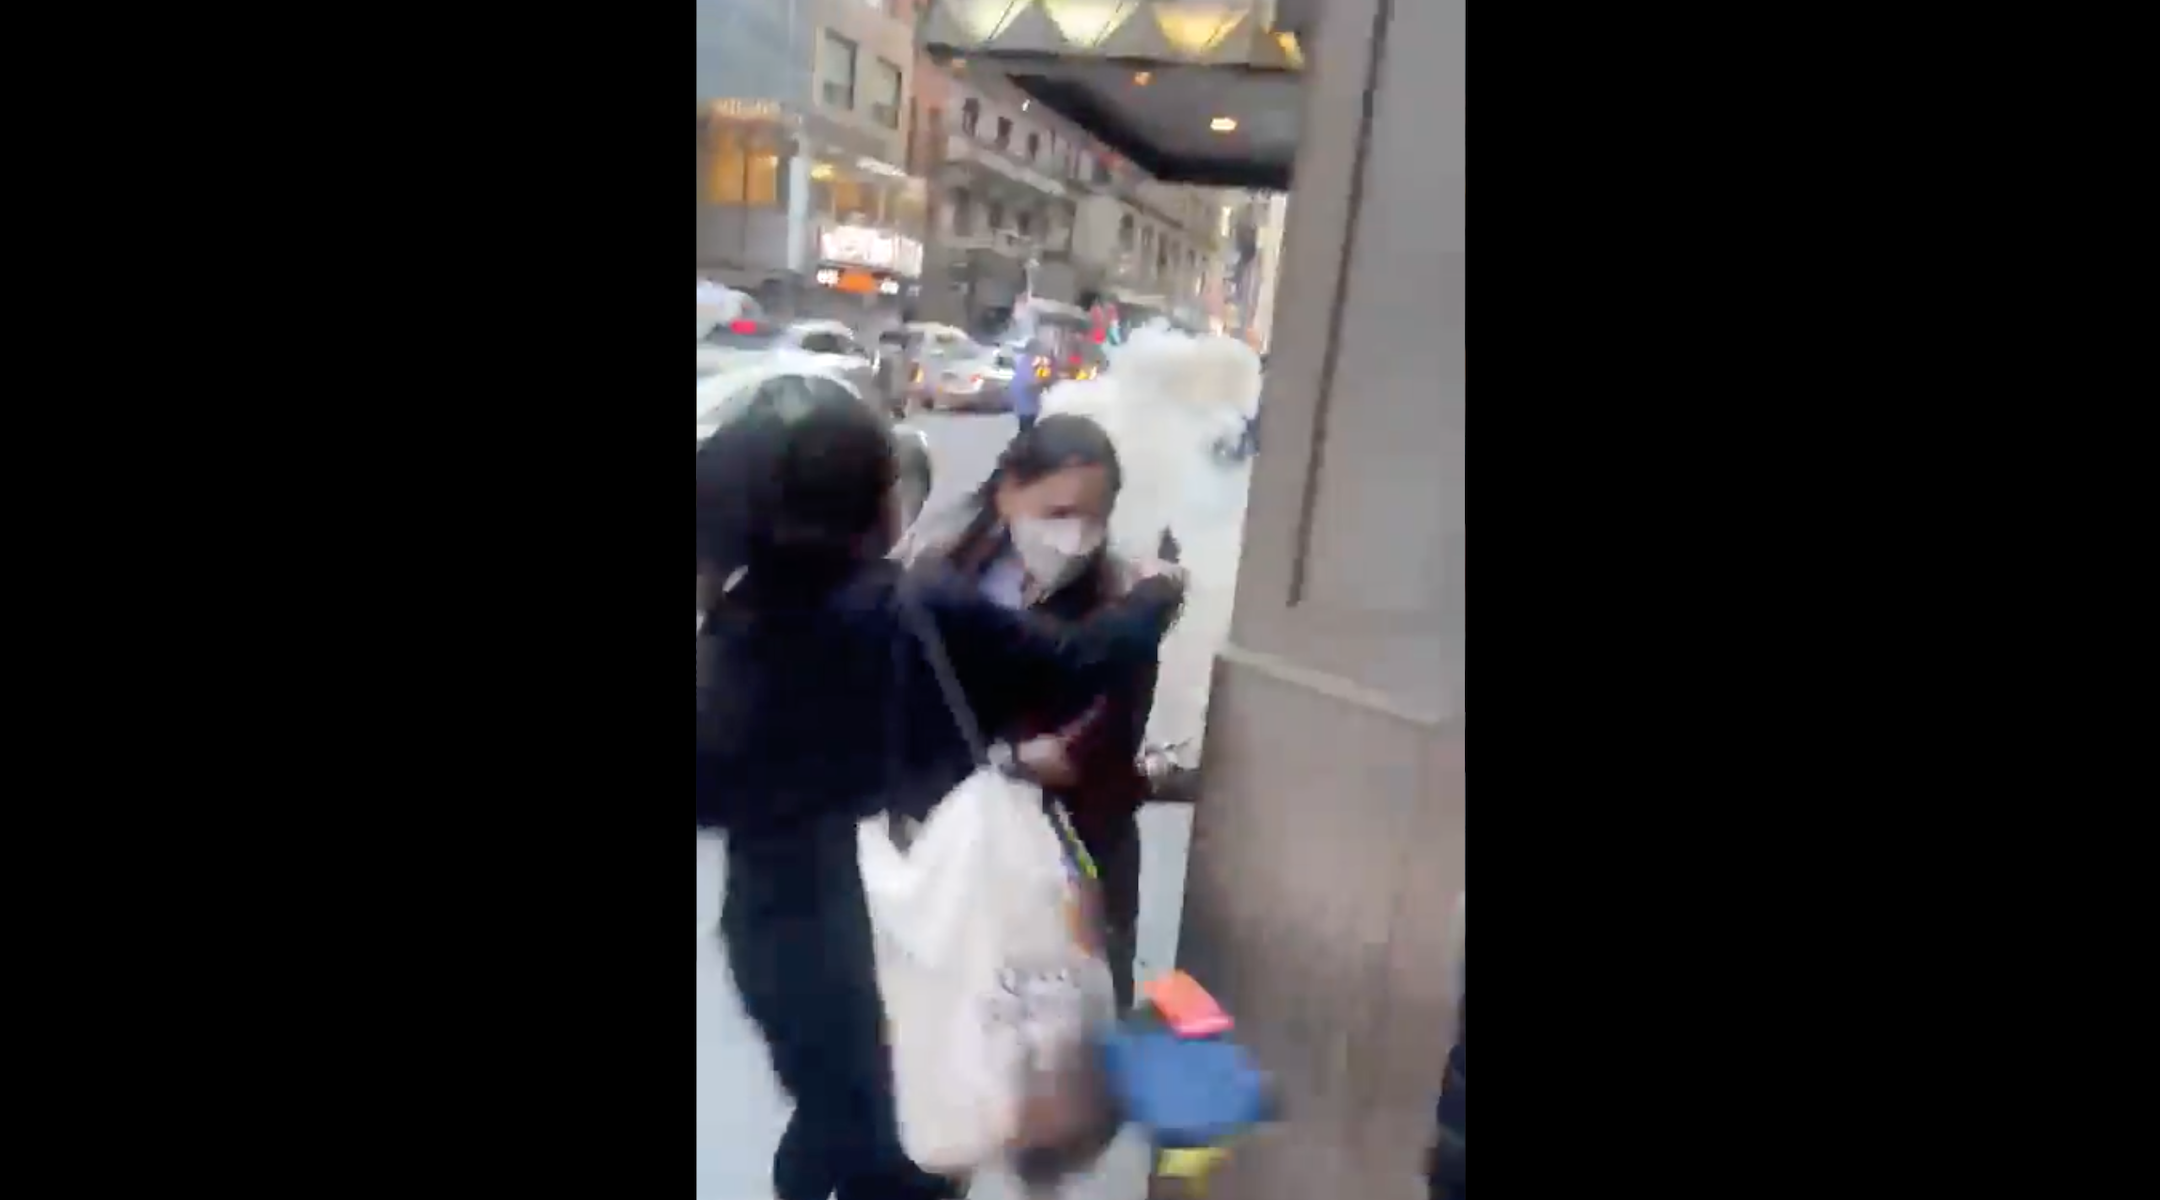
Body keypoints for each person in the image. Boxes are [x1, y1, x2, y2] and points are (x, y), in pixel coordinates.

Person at [697, 371, 1185, 1200]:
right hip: (916, 934)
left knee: (831, 1116)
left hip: (776, 940)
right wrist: (1153, 599)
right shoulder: (916, 607)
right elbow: (1075, 668)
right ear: (872, 504)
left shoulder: (735, 629)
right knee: (915, 1151)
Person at [896, 414, 1157, 1012]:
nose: (1076, 536)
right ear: (1009, 490)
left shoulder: (1120, 593)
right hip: (961, 841)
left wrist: (1073, 754)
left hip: (1080, 845)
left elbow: (1117, 716)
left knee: (1075, 1027)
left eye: (1095, 517)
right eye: (1059, 513)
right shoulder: (947, 574)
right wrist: (1003, 760)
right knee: (963, 1021)